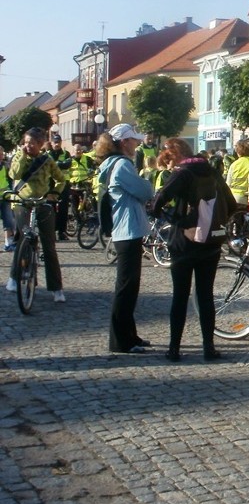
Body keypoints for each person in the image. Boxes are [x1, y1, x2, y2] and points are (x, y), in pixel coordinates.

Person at [153, 138, 237, 362]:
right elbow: (231, 203)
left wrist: (174, 218)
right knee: (205, 295)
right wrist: (212, 224)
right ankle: (208, 348)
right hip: (211, 243)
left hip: (184, 242)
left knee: (180, 296)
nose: (170, 166)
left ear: (175, 155)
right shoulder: (212, 171)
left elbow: (158, 201)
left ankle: (174, 349)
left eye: (169, 161)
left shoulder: (182, 173)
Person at [97, 124, 154, 352]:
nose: (137, 144)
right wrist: (148, 182)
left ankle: (130, 334)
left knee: (130, 286)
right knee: (126, 287)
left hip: (126, 229)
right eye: (133, 140)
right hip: (127, 230)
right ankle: (121, 341)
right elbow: (145, 191)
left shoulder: (114, 164)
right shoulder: (121, 165)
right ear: (123, 143)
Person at [6, 128, 66, 302]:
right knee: (23, 239)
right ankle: (14, 277)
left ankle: (56, 288)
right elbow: (14, 174)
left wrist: (54, 193)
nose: (28, 146)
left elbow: (61, 179)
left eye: (32, 143)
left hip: (42, 203)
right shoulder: (19, 156)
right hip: (22, 202)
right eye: (25, 142)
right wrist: (23, 156)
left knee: (49, 246)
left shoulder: (47, 160)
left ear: (40, 144)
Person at [48, 134, 72, 240]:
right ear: (51, 143)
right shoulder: (47, 154)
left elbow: (67, 164)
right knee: (50, 209)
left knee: (63, 209)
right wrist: (59, 164)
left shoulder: (66, 153)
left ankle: (62, 231)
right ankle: (51, 231)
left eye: (58, 142)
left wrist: (55, 163)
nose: (57, 144)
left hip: (63, 184)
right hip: (50, 184)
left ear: (61, 143)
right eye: (55, 142)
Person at [68, 143, 95, 221]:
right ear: (73, 151)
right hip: (74, 186)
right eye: (77, 150)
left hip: (84, 185)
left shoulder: (87, 159)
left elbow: (93, 166)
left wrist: (92, 173)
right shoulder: (70, 160)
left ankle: (86, 216)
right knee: (74, 204)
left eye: (80, 150)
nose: (79, 151)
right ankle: (78, 220)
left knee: (85, 203)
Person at [225, 140, 249, 205]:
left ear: (237, 152)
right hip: (248, 197)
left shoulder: (234, 164)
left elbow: (228, 183)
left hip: (234, 197)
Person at [0, 146, 16, 251]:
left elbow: (10, 180)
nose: (0, 156)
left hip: (5, 197)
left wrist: (11, 191)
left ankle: (8, 243)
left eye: (1, 154)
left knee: (8, 221)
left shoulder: (5, 166)